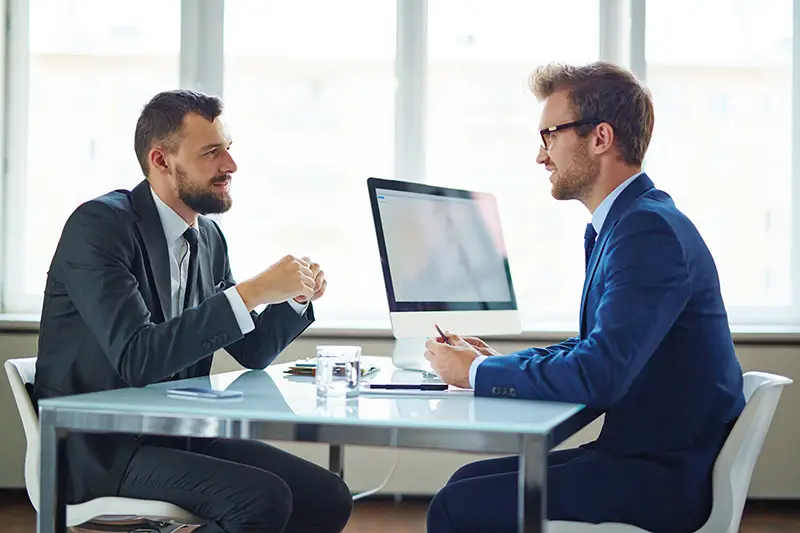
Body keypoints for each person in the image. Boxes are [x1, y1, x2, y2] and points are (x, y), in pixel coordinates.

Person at [423, 61, 745, 533]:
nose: (540, 155)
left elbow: (600, 374)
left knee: (456, 506)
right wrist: (495, 363)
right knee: (463, 484)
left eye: (549, 135)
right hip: (649, 458)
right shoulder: (627, 223)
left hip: (660, 478)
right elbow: (595, 348)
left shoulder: (645, 230)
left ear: (600, 138)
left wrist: (474, 372)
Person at [33, 89, 353, 533]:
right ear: (161, 160)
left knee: (327, 496)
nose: (231, 165)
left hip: (176, 437)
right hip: (98, 449)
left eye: (228, 149)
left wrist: (293, 299)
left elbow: (253, 351)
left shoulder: (208, 239)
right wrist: (251, 291)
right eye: (211, 152)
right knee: (262, 500)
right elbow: (137, 358)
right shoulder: (100, 226)